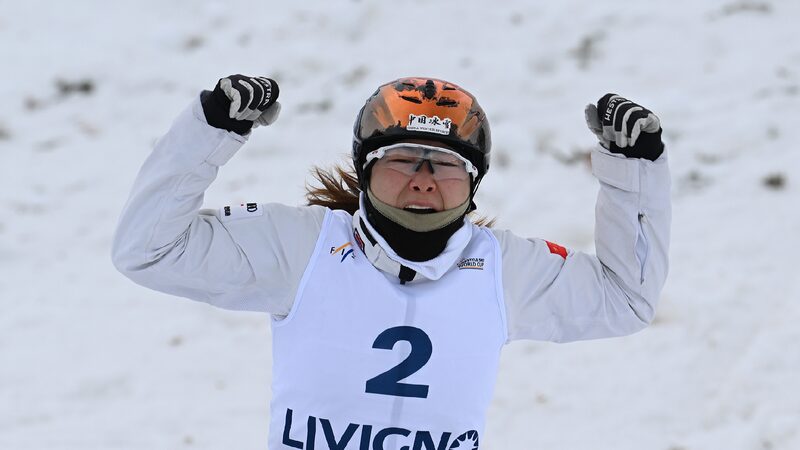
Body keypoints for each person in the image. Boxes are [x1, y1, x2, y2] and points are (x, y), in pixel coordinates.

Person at [112, 74, 670, 450]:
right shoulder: (301, 247)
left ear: (474, 183)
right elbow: (148, 250)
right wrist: (211, 129)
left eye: (445, 165)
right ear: (366, 170)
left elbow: (625, 300)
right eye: (402, 159)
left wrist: (634, 168)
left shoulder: (504, 270)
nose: (423, 179)